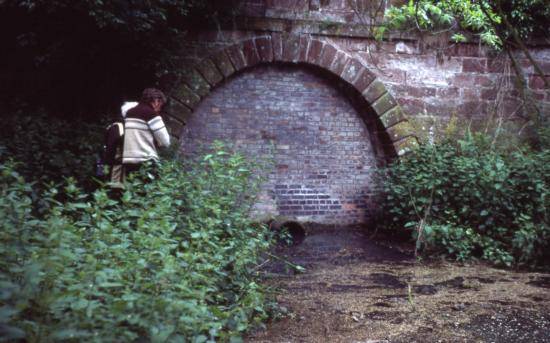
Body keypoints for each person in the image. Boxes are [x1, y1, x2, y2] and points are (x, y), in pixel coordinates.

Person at [122, 88, 171, 180]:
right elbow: (166, 142)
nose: (160, 108)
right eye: (161, 104)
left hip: (128, 161)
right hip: (146, 162)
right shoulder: (151, 114)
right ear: (156, 101)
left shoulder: (128, 114)